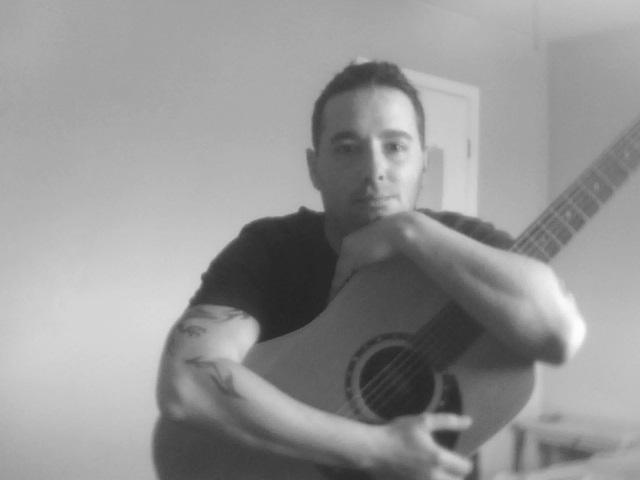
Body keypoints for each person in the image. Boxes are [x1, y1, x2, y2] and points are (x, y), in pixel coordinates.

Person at [154, 61, 586, 480]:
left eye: (395, 147)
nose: (375, 171)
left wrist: (408, 230)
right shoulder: (270, 248)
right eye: (347, 148)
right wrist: (375, 449)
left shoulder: (468, 242)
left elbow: (557, 335)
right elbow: (186, 385)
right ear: (315, 168)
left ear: (423, 161)